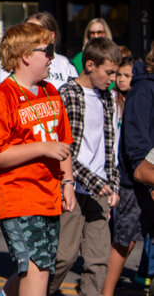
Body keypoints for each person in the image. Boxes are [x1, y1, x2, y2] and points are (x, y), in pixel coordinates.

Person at [0, 22, 75, 296]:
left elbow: (63, 141)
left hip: (49, 195)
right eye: (47, 50)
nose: (52, 57)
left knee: (40, 267)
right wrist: (41, 148)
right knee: (37, 269)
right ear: (26, 55)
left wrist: (68, 181)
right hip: (17, 197)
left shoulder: (50, 92)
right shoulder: (2, 96)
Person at [47, 37, 121, 296]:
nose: (112, 78)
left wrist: (112, 183)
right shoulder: (67, 95)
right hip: (73, 187)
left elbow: (108, 145)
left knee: (97, 260)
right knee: (64, 257)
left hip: (100, 190)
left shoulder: (107, 98)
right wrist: (95, 182)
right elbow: (63, 150)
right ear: (90, 65)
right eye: (108, 72)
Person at [103, 42, 154, 296]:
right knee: (126, 239)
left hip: (149, 174)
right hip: (136, 179)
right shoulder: (144, 89)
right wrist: (148, 177)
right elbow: (137, 144)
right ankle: (107, 291)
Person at [0, 11, 78, 92]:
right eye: (26, 32)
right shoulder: (12, 69)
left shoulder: (64, 64)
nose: (29, 35)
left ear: (51, 36)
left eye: (36, 31)